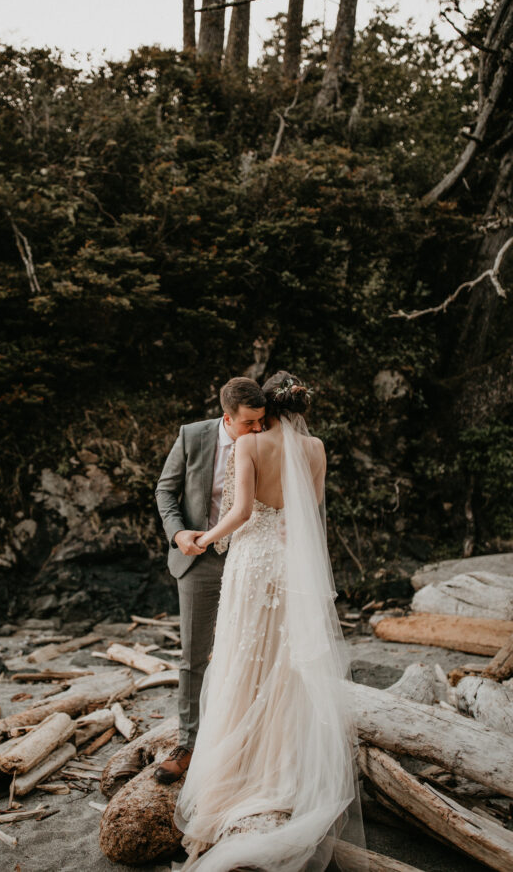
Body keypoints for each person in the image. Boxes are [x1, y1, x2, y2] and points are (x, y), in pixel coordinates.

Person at [169, 370, 367, 872]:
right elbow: (311, 507)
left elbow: (238, 514)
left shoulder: (249, 449)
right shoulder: (317, 449)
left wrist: (205, 538)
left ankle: (237, 771)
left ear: (267, 409)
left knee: (242, 659)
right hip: (289, 562)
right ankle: (284, 767)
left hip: (252, 562)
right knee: (286, 663)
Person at [154, 377, 266, 783]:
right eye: (249, 423)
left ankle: (245, 745)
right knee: (193, 656)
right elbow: (165, 491)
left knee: (249, 654)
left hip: (250, 557)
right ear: (226, 418)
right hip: (198, 559)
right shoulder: (192, 436)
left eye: (261, 421)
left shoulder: (268, 438)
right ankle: (188, 743)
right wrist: (179, 533)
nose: (257, 429)